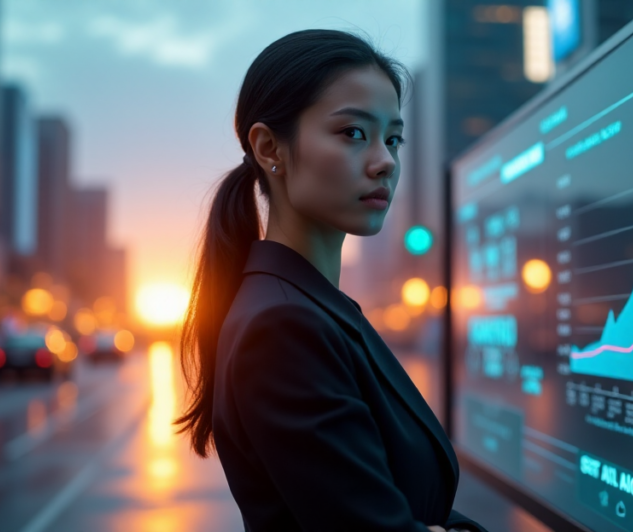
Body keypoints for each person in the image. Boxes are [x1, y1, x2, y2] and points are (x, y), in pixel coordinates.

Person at [175, 29, 487, 532]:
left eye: (393, 138)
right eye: (353, 133)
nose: (385, 161)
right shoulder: (282, 327)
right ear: (269, 147)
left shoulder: (310, 307)